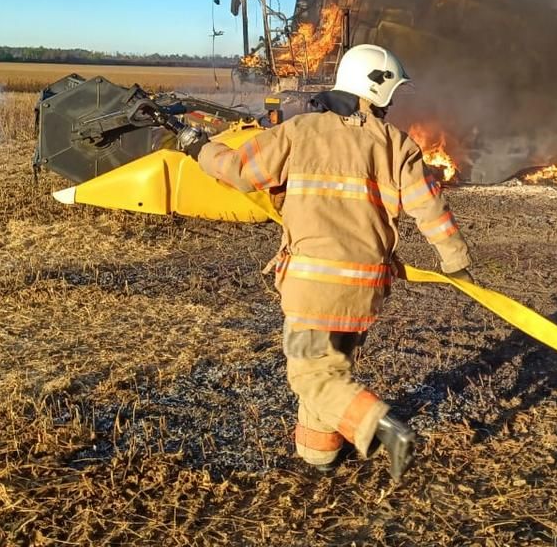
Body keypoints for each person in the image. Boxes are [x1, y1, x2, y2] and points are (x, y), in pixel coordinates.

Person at [175, 44, 473, 479]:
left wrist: (199, 148)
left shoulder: (300, 132)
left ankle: (380, 426)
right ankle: (320, 456)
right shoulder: (398, 145)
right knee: (333, 369)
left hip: (313, 288)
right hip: (365, 290)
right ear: (377, 89)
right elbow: (430, 209)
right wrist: (455, 262)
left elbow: (239, 170)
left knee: (310, 376)